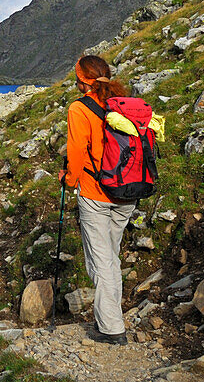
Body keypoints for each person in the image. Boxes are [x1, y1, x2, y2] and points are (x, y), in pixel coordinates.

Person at [58, 54, 135, 345]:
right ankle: (112, 316)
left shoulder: (80, 109)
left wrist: (68, 179)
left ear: (82, 81)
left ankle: (112, 328)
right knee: (110, 257)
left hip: (96, 193)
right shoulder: (123, 103)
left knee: (100, 261)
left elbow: (76, 152)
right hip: (128, 191)